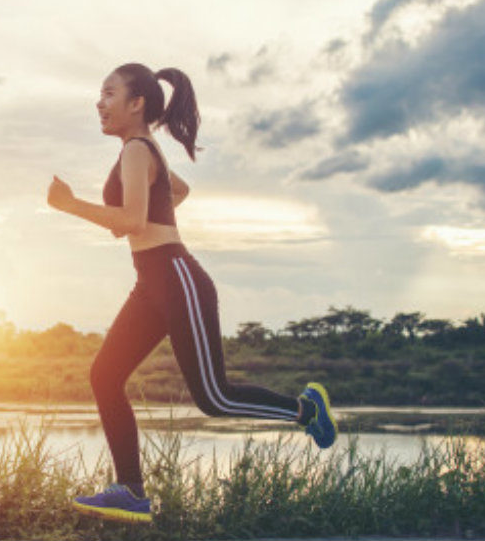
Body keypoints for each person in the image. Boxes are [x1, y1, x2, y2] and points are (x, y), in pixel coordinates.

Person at [45, 63, 337, 525]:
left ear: (136, 102)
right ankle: (131, 492)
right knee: (104, 375)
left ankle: (307, 409)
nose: (98, 104)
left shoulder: (138, 151)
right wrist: (141, 218)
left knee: (214, 398)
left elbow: (134, 221)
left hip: (177, 278)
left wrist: (71, 206)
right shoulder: (140, 152)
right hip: (152, 283)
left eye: (108, 94)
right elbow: (176, 190)